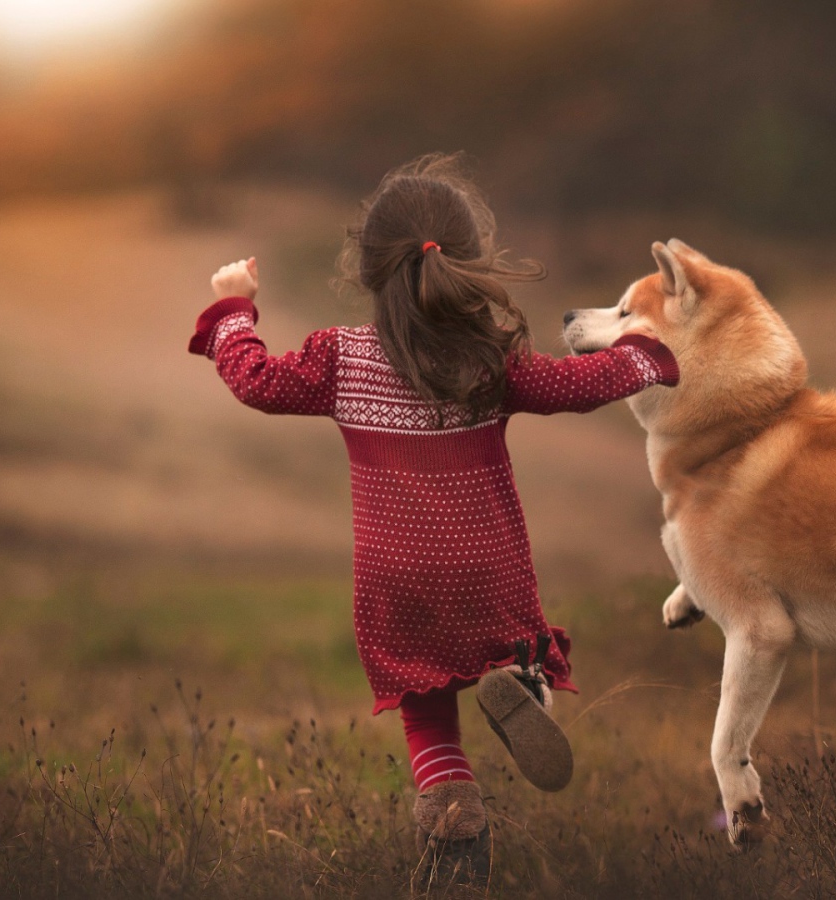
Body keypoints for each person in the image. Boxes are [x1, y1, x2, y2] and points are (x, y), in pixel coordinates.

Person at [187, 155, 678, 884]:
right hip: (487, 569)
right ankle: (518, 680)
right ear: (467, 265)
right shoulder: (490, 362)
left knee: (427, 715)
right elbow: (583, 383)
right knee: (507, 650)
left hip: (396, 582)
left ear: (370, 270)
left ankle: (455, 821)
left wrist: (234, 309)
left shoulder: (341, 357)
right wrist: (647, 352)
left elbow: (255, 381)